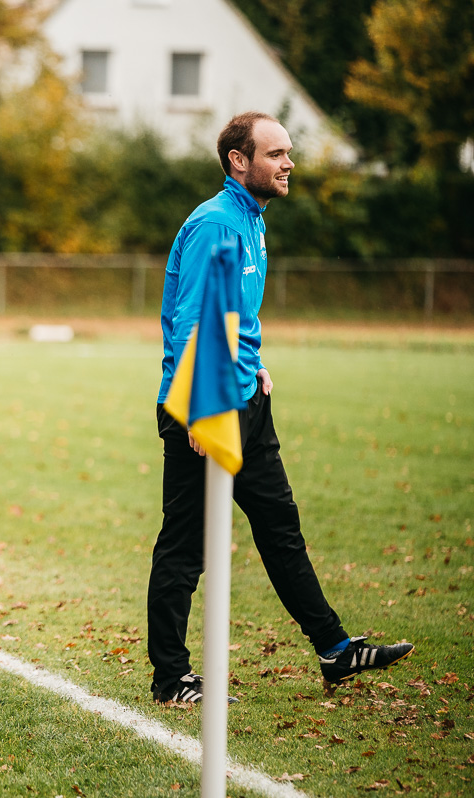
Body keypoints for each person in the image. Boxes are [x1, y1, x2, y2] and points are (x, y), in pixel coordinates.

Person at [148, 111, 415, 704]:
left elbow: (236, 312)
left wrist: (254, 360)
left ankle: (334, 649)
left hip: (246, 396)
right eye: (276, 154)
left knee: (280, 527)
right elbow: (192, 320)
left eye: (288, 152)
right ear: (238, 161)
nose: (289, 163)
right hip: (205, 406)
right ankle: (171, 679)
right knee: (185, 546)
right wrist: (202, 408)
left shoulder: (252, 219)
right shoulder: (215, 223)